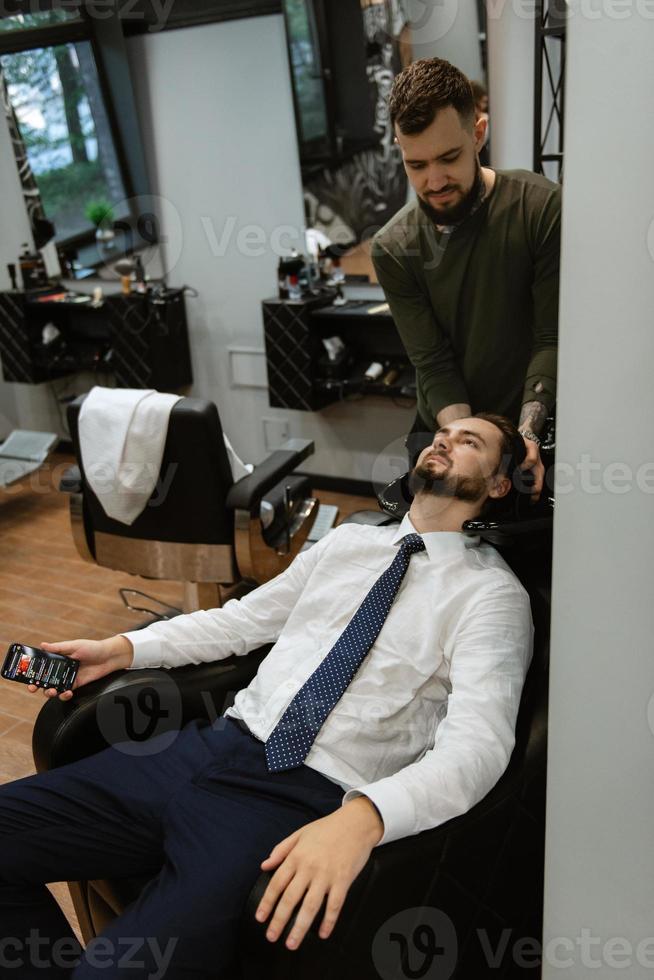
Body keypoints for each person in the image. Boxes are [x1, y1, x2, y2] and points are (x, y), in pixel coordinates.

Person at [0, 413, 533, 979]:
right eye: (442, 436)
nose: (445, 444)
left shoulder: (490, 596)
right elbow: (240, 622)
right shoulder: (351, 543)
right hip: (206, 749)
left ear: (499, 484)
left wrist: (367, 816)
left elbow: (479, 746)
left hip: (295, 798)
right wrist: (122, 648)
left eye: (469, 442)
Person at [372, 58, 561, 499]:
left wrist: (523, 438)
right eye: (416, 165)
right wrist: (461, 449)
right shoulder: (395, 248)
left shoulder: (539, 210)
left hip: (527, 434)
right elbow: (433, 363)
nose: (434, 181)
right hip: (442, 433)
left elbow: (550, 337)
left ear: (478, 134)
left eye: (449, 158)